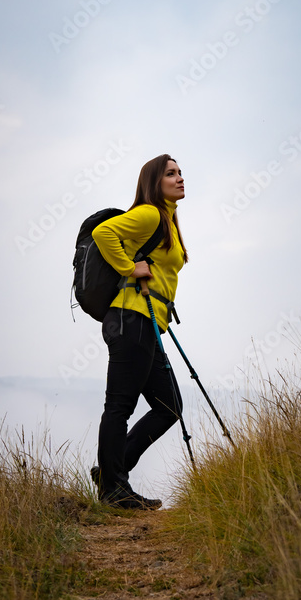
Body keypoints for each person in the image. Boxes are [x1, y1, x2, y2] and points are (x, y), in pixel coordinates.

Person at [90, 154, 188, 509]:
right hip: (131, 319)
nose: (180, 178)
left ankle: (111, 475)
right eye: (171, 174)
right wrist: (131, 269)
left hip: (148, 323)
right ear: (153, 181)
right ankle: (113, 491)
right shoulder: (149, 213)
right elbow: (104, 232)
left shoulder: (167, 220)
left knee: (169, 406)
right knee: (119, 405)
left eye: (180, 173)